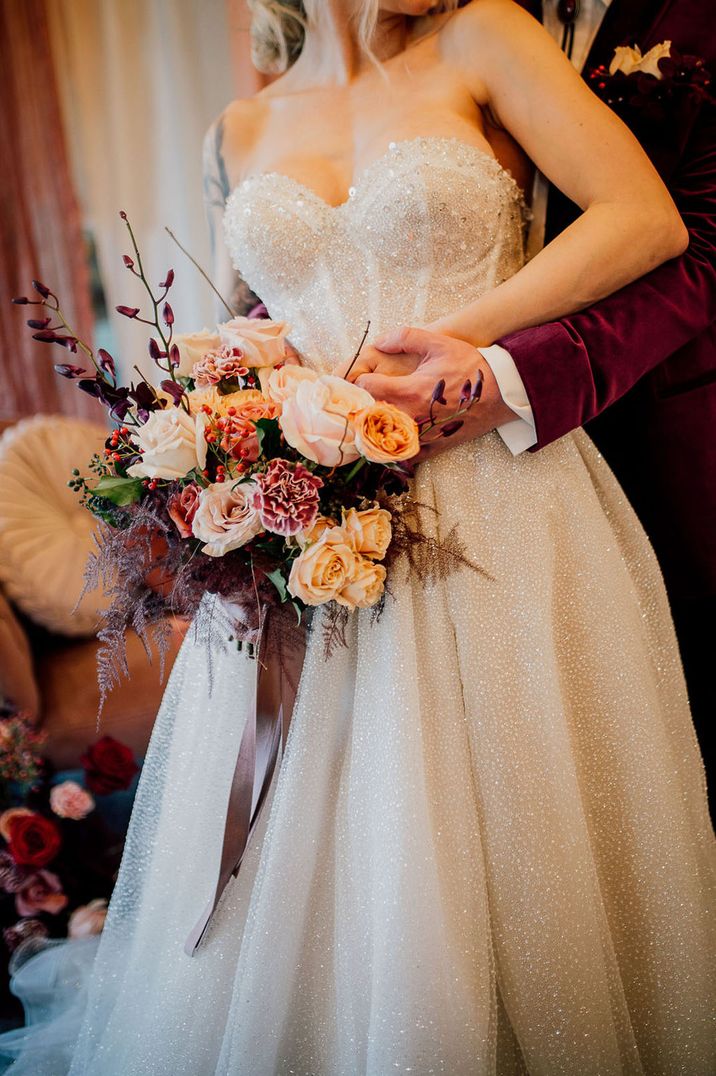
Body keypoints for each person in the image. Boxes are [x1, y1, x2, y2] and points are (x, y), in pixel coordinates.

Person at [1, 2, 713, 1073]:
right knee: (322, 843)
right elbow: (254, 320)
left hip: (498, 495)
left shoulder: (486, 38)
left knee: (515, 817)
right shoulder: (238, 128)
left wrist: (466, 343)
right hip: (308, 532)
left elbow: (644, 222)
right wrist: (230, 413)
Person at [350, 0, 716, 815]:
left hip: (660, 443)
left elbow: (700, 242)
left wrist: (506, 376)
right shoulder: (450, 23)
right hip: (422, 473)